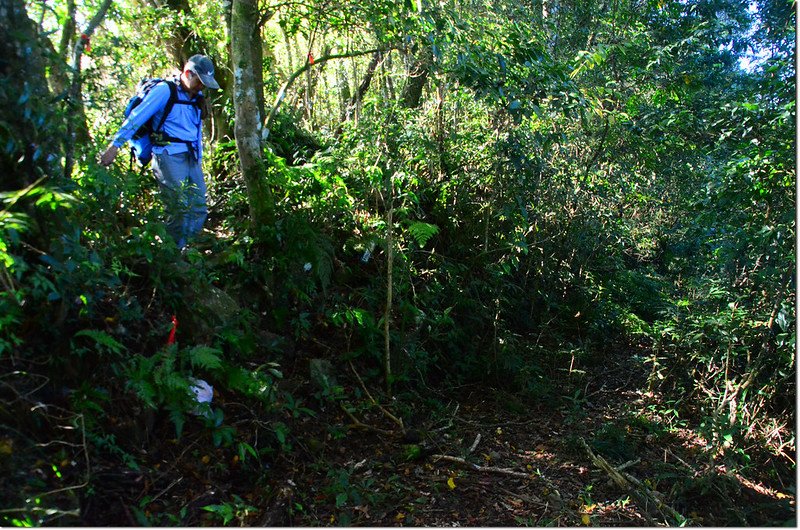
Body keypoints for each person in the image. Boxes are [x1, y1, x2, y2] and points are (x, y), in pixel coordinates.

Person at [100, 54, 220, 249]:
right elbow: (137, 118)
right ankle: (172, 253)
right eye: (200, 81)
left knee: (199, 208)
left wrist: (199, 156)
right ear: (188, 73)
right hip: (168, 156)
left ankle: (186, 248)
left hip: (192, 157)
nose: (202, 87)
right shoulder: (165, 91)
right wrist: (114, 146)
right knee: (178, 209)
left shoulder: (197, 98)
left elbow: (195, 130)